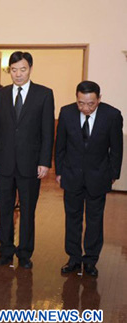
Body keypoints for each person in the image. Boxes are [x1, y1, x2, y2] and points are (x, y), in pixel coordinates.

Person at [0, 51, 55, 269]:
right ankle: (6, 250)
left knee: (27, 211)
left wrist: (45, 162)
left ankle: (25, 253)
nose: (18, 74)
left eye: (22, 69)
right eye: (14, 70)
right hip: (4, 163)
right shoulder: (0, 95)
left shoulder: (44, 94)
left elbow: (47, 132)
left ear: (30, 69)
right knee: (4, 209)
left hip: (31, 164)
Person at [55, 80, 123, 277]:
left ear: (99, 99)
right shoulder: (66, 113)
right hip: (72, 175)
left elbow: (116, 149)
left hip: (98, 176)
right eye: (81, 103)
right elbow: (60, 146)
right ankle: (74, 258)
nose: (85, 107)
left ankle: (91, 260)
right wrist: (59, 172)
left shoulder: (112, 115)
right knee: (72, 218)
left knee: (94, 220)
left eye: (90, 103)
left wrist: (112, 175)